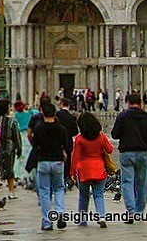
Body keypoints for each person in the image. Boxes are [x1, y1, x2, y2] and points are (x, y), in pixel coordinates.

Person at [111, 93, 147, 221]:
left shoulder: (122, 116)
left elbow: (115, 134)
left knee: (127, 182)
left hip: (126, 152)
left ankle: (130, 211)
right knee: (141, 183)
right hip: (142, 152)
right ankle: (139, 212)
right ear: (140, 103)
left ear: (128, 103)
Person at [70, 112, 113, 228]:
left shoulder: (80, 139)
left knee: (83, 196)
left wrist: (72, 172)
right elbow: (110, 149)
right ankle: (101, 216)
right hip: (99, 168)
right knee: (98, 194)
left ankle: (82, 220)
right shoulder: (101, 137)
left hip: (83, 170)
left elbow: (76, 157)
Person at [32, 103, 70, 231]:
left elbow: (35, 144)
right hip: (58, 160)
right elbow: (67, 145)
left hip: (43, 161)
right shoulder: (61, 128)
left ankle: (47, 221)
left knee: (44, 192)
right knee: (59, 188)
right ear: (55, 114)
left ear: (43, 114)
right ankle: (59, 211)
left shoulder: (38, 128)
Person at [0, 99, 21, 199]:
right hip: (9, 147)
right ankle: (11, 191)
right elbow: (16, 135)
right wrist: (19, 147)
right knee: (9, 169)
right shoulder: (12, 120)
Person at [56, 98, 79, 180]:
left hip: (57, 141)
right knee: (68, 160)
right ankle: (66, 177)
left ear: (62, 104)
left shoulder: (57, 115)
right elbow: (75, 131)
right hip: (68, 141)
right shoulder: (72, 117)